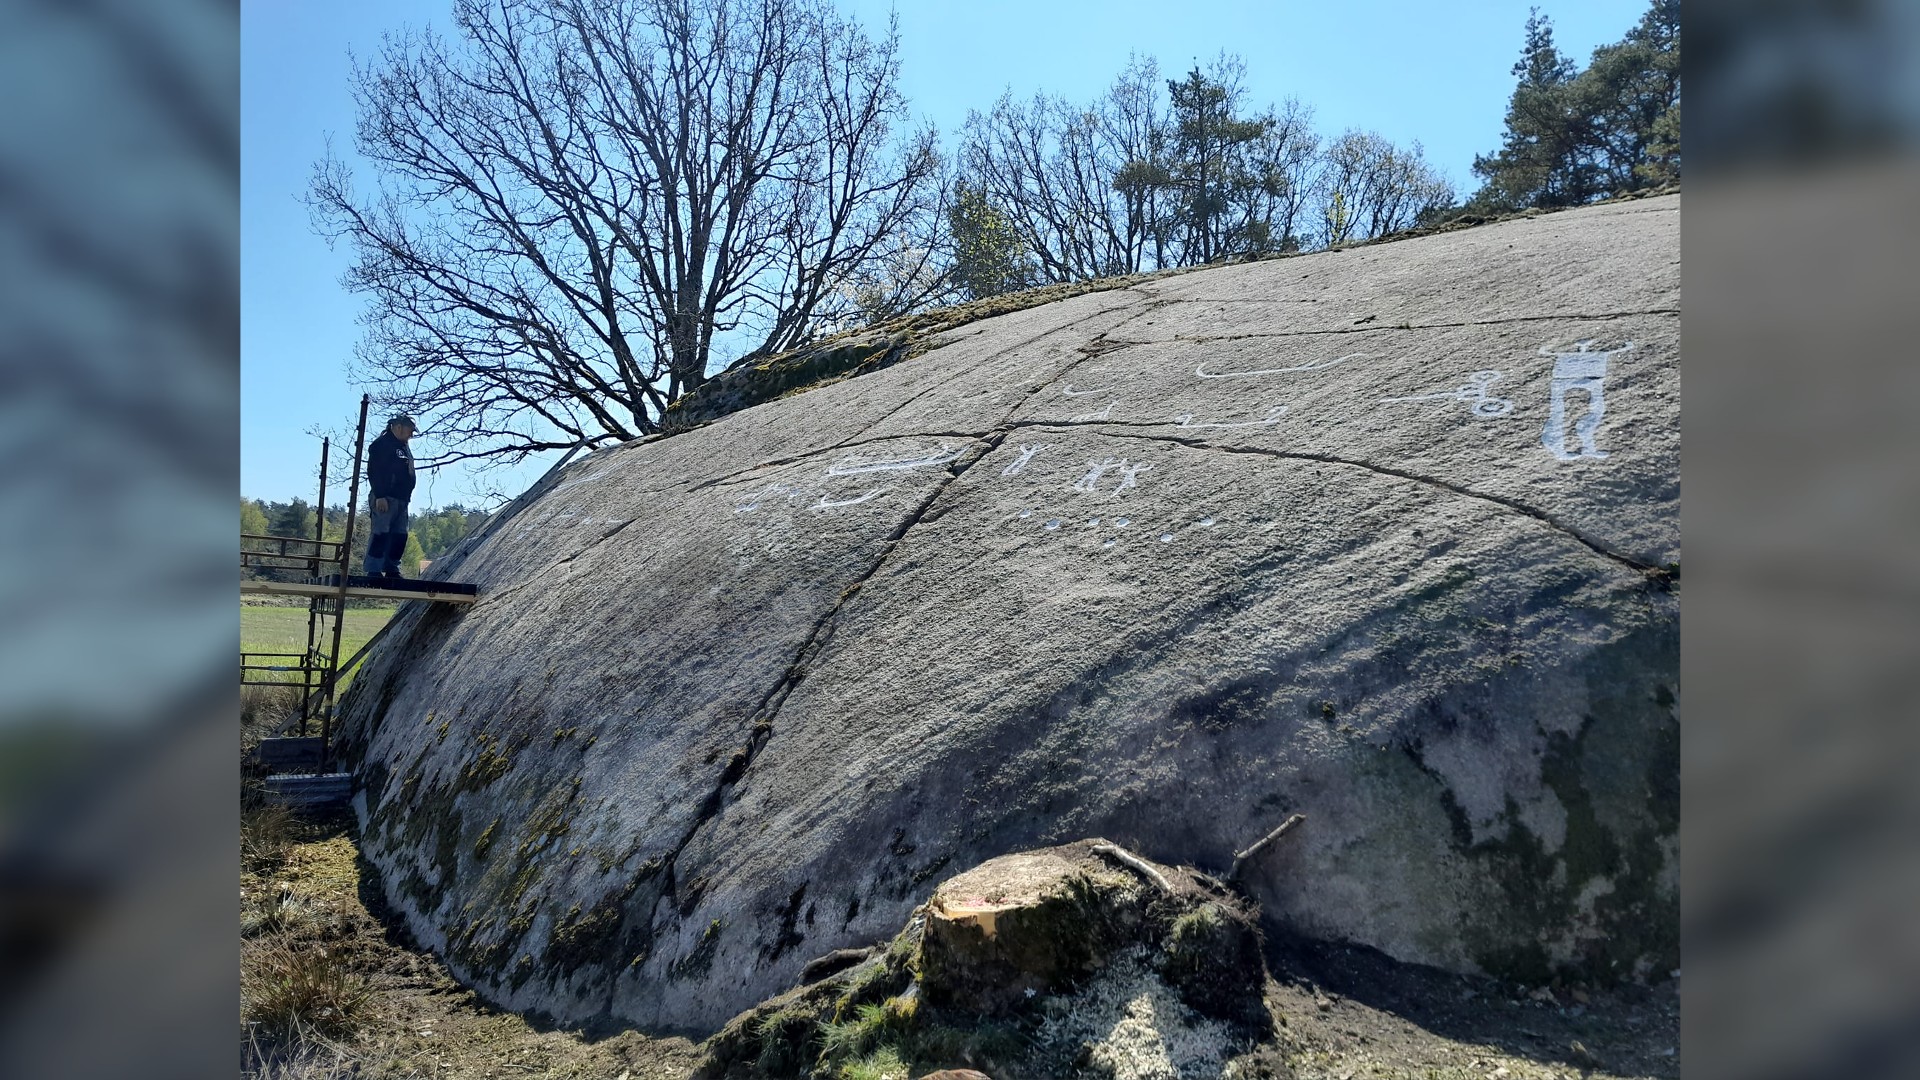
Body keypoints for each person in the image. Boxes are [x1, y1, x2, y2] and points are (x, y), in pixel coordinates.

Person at [365, 414, 417, 580]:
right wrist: (380, 495)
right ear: (398, 427)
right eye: (410, 430)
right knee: (381, 532)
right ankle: (373, 569)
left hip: (402, 499)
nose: (411, 435)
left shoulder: (403, 446)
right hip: (385, 497)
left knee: (400, 535)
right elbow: (375, 471)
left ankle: (392, 567)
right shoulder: (382, 445)